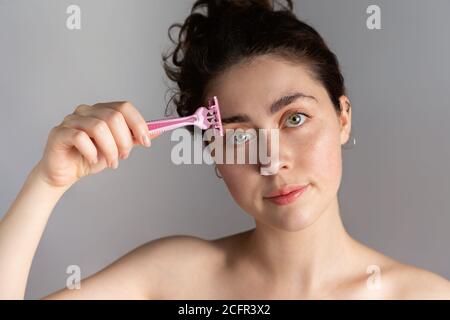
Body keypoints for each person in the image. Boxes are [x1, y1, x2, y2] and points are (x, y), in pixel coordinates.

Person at [1, 0, 449, 299]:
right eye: (237, 135)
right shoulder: (175, 279)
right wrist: (47, 182)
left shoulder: (425, 296)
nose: (271, 159)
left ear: (343, 117)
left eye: (294, 118)